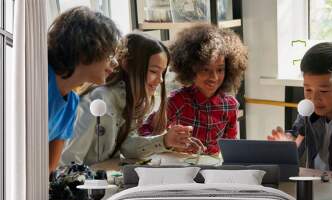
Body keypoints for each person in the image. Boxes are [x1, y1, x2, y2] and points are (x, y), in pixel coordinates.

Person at [60, 32, 203, 166]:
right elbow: (68, 161)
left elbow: (127, 147)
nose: (160, 80)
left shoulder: (131, 100)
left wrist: (165, 140)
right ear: (127, 65)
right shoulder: (98, 100)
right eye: (153, 71)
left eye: (163, 73)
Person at [139, 23, 248, 154]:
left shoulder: (230, 106)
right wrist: (168, 142)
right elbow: (145, 132)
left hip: (214, 172)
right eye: (205, 69)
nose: (213, 77)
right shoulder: (177, 101)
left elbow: (230, 149)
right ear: (190, 68)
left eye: (220, 69)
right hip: (182, 170)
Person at [267, 42, 332, 171]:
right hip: (314, 181)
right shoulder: (307, 111)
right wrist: (287, 143)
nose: (314, 98)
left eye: (324, 91)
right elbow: (297, 138)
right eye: (308, 90)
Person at [48, 6, 121, 172]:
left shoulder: (71, 103)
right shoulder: (39, 83)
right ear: (87, 48)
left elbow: (49, 170)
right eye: (109, 55)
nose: (114, 64)